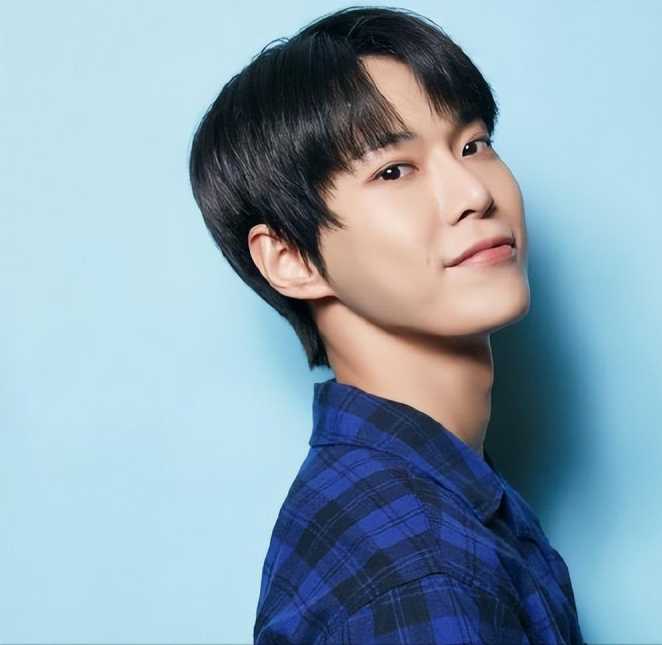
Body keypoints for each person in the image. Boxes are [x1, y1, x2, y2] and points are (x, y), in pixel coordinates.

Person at [189, 5, 585, 643]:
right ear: (291, 259)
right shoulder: (421, 569)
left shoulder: (417, 501)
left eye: (473, 145)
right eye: (394, 171)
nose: (474, 193)